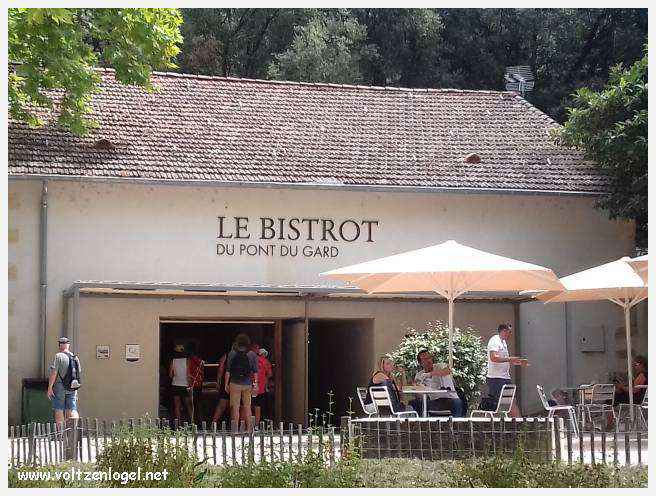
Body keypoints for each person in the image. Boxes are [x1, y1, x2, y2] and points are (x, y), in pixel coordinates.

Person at [486, 323, 528, 417]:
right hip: (496, 379)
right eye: (509, 332)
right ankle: (520, 425)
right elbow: (494, 358)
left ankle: (514, 425)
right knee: (508, 404)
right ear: (503, 331)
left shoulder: (503, 342)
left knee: (510, 402)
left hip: (504, 377)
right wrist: (511, 359)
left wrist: (519, 362)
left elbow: (505, 360)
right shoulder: (495, 340)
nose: (510, 335)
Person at [411, 350, 464, 417]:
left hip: (450, 399)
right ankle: (421, 425)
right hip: (435, 401)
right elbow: (418, 394)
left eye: (429, 357)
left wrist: (429, 374)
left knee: (457, 402)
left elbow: (447, 371)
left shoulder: (440, 366)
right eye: (425, 359)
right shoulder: (419, 375)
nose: (428, 360)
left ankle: (457, 425)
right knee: (415, 403)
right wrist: (417, 388)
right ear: (420, 363)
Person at [225, 333, 258, 432]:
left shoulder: (232, 353)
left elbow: (228, 371)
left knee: (235, 408)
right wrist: (255, 384)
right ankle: (249, 430)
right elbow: (255, 371)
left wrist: (226, 384)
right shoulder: (252, 354)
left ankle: (235, 431)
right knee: (248, 407)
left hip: (234, 383)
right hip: (247, 384)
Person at [46, 337, 81, 428]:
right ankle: (73, 432)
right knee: (72, 409)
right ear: (68, 345)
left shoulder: (58, 356)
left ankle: (61, 435)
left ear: (59, 346)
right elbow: (77, 375)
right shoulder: (75, 358)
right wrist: (76, 391)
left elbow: (54, 372)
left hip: (59, 386)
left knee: (59, 409)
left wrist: (50, 387)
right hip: (72, 386)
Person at [169, 343, 194, 425]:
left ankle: (178, 424)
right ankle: (192, 422)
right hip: (185, 385)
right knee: (189, 405)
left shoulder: (173, 361)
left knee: (177, 406)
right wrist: (190, 385)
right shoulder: (187, 360)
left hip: (175, 384)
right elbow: (188, 374)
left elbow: (170, 375)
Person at [252, 345, 273, 424]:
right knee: (258, 406)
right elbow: (270, 374)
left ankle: (245, 425)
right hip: (261, 388)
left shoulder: (252, 360)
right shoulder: (266, 362)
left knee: (246, 406)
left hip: (249, 386)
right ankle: (256, 425)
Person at [211, 350, 230, 425]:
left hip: (227, 382)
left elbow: (220, 370)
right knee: (235, 405)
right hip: (238, 382)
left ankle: (214, 423)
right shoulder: (244, 355)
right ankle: (235, 426)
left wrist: (218, 382)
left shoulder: (226, 356)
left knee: (222, 403)